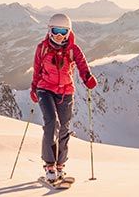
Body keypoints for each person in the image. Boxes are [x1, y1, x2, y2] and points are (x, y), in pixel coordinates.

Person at [30, 13, 97, 181]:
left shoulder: (73, 50)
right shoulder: (42, 48)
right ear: (49, 30)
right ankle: (49, 164)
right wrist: (33, 89)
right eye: (55, 30)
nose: (58, 35)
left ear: (68, 31)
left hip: (66, 91)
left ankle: (61, 165)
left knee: (64, 128)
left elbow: (82, 65)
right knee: (52, 122)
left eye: (62, 31)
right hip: (45, 89)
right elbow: (37, 69)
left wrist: (87, 77)